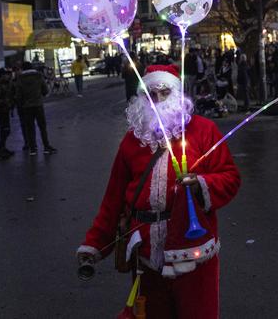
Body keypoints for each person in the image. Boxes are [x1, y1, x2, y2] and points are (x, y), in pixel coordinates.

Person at [76, 64, 240, 319]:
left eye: (164, 92)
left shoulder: (204, 130)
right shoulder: (133, 140)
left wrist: (201, 183)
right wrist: (94, 244)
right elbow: (114, 197)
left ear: (176, 95)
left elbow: (230, 178)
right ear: (142, 98)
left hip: (193, 251)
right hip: (145, 254)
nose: (158, 100)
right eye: (151, 94)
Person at [15, 61, 56, 156]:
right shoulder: (38, 76)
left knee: (30, 128)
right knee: (42, 127)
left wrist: (21, 104)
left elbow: (18, 95)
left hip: (26, 107)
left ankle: (32, 149)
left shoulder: (20, 78)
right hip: (38, 105)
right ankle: (46, 147)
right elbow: (45, 91)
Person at [0, 68, 16, 160]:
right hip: (1, 110)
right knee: (5, 129)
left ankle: (3, 148)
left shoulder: (6, 83)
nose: (7, 76)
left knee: (5, 129)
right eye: (5, 74)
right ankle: (0, 149)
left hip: (6, 109)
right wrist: (5, 102)